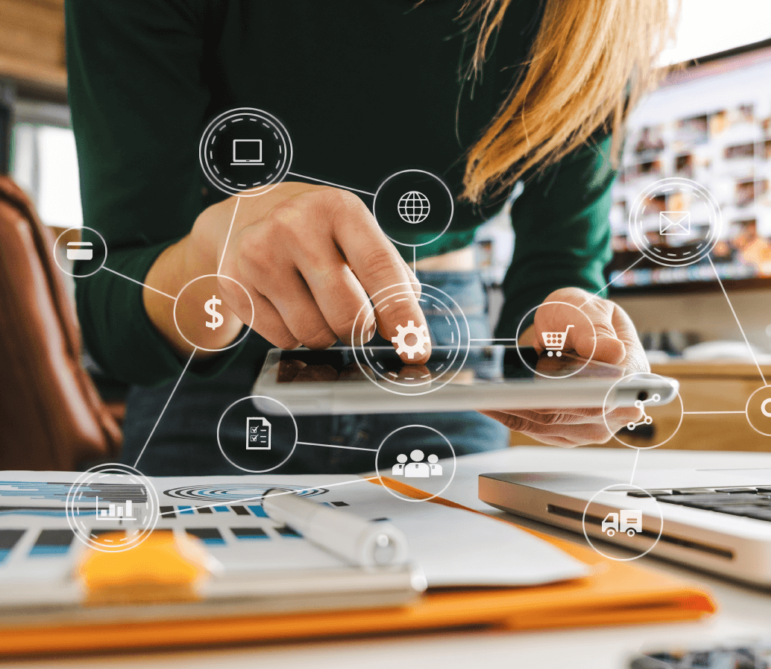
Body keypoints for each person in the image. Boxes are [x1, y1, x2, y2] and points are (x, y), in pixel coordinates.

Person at [66, 1, 673, 475]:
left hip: (443, 340)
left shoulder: (599, 18)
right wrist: (211, 262)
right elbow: (115, 310)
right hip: (222, 347)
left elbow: (557, 268)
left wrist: (575, 342)